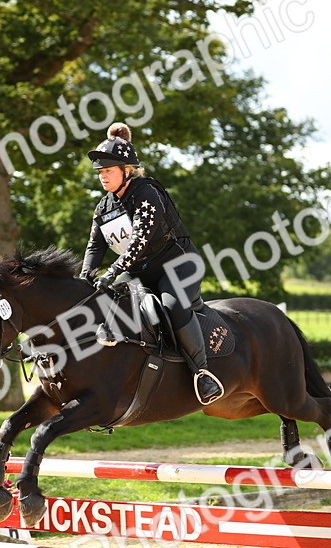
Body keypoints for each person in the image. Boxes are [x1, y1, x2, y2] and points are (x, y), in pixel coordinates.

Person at [80, 122, 224, 404]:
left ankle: (203, 374)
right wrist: (86, 274)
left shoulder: (146, 193)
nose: (103, 177)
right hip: (139, 273)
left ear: (127, 170)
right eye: (100, 172)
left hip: (178, 266)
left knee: (172, 305)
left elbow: (139, 241)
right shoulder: (104, 207)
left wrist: (113, 271)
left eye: (108, 171)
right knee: (107, 303)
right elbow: (95, 244)